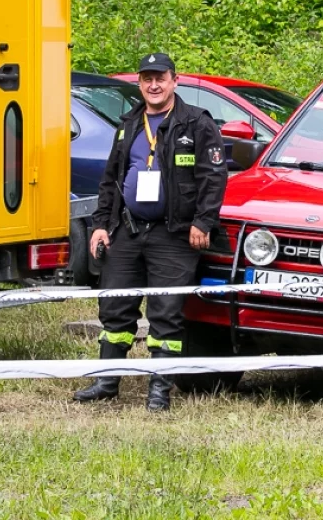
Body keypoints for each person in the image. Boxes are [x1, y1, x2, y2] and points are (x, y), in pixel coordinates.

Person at [73, 52, 228, 411]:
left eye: (160, 78)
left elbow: (213, 178)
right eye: (147, 79)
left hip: (174, 235)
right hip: (126, 231)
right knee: (115, 308)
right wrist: (99, 227)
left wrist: (203, 223)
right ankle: (107, 381)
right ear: (140, 84)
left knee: (166, 312)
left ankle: (160, 389)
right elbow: (110, 181)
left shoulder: (196, 124)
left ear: (175, 80)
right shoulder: (128, 124)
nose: (154, 85)